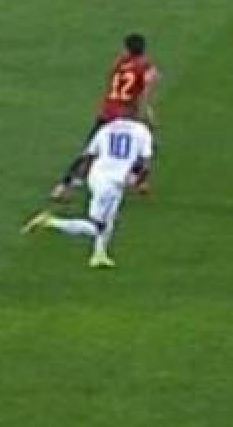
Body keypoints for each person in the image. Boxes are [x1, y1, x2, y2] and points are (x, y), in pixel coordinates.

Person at [23, 112, 154, 268]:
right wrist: (140, 182)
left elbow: (88, 155)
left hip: (100, 175)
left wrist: (71, 182)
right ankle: (48, 221)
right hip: (109, 183)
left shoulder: (107, 128)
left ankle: (99, 255)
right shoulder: (142, 130)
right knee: (97, 226)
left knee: (109, 218)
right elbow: (145, 162)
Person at [51, 33, 158, 200]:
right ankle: (137, 179)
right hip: (126, 114)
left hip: (108, 111)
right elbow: (146, 89)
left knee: (90, 150)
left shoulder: (119, 63)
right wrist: (146, 113)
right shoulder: (146, 66)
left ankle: (64, 185)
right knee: (144, 144)